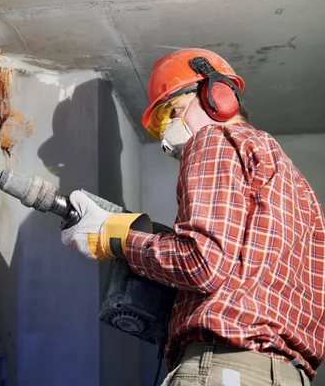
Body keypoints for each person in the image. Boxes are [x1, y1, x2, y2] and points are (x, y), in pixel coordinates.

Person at [60, 48, 325, 385]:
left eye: (174, 111)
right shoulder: (298, 187)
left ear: (218, 95)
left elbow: (202, 264)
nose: (168, 136)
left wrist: (116, 238)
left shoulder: (213, 139)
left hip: (224, 368)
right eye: (160, 127)